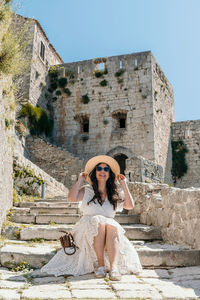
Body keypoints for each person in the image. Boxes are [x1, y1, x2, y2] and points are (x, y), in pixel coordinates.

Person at [41, 155, 142, 280]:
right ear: (95, 172)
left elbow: (130, 206)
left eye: (106, 169)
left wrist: (124, 184)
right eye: (99, 168)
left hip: (109, 232)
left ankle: (114, 268)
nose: (102, 171)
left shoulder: (115, 194)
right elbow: (71, 198)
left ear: (110, 174)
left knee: (112, 225)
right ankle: (100, 265)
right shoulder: (87, 190)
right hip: (87, 229)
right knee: (98, 221)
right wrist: (80, 180)